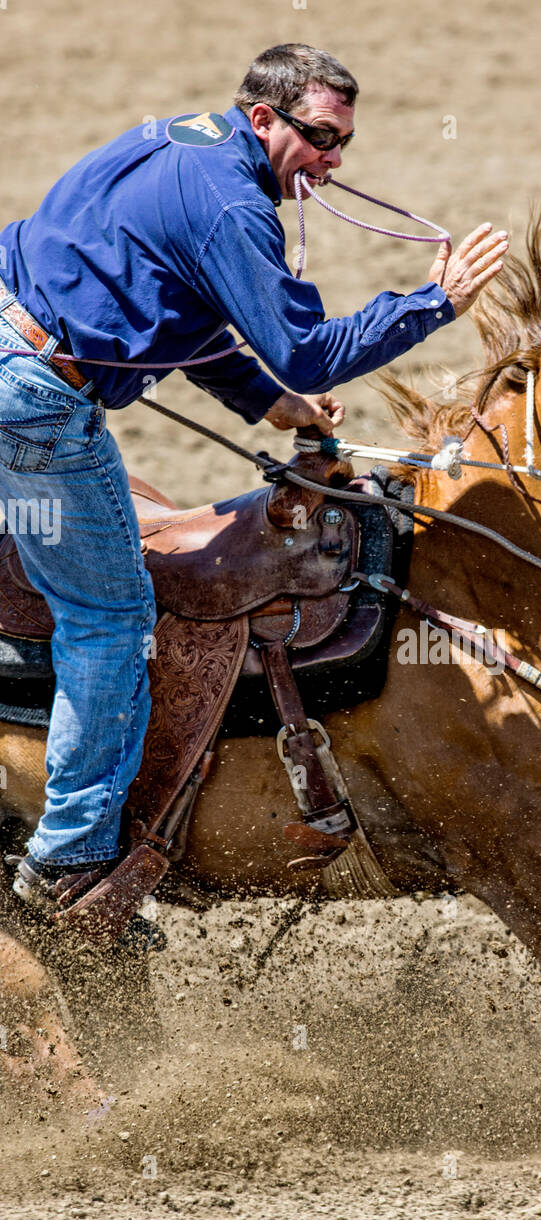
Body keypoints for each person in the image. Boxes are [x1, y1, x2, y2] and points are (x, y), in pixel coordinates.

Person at [0, 42, 508, 914]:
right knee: (113, 615)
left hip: (16, 346)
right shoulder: (236, 206)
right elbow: (308, 350)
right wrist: (433, 304)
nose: (333, 160)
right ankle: (71, 860)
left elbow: (174, 305)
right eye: (318, 135)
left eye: (343, 141)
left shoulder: (176, 140)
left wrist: (269, 402)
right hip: (36, 399)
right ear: (264, 117)